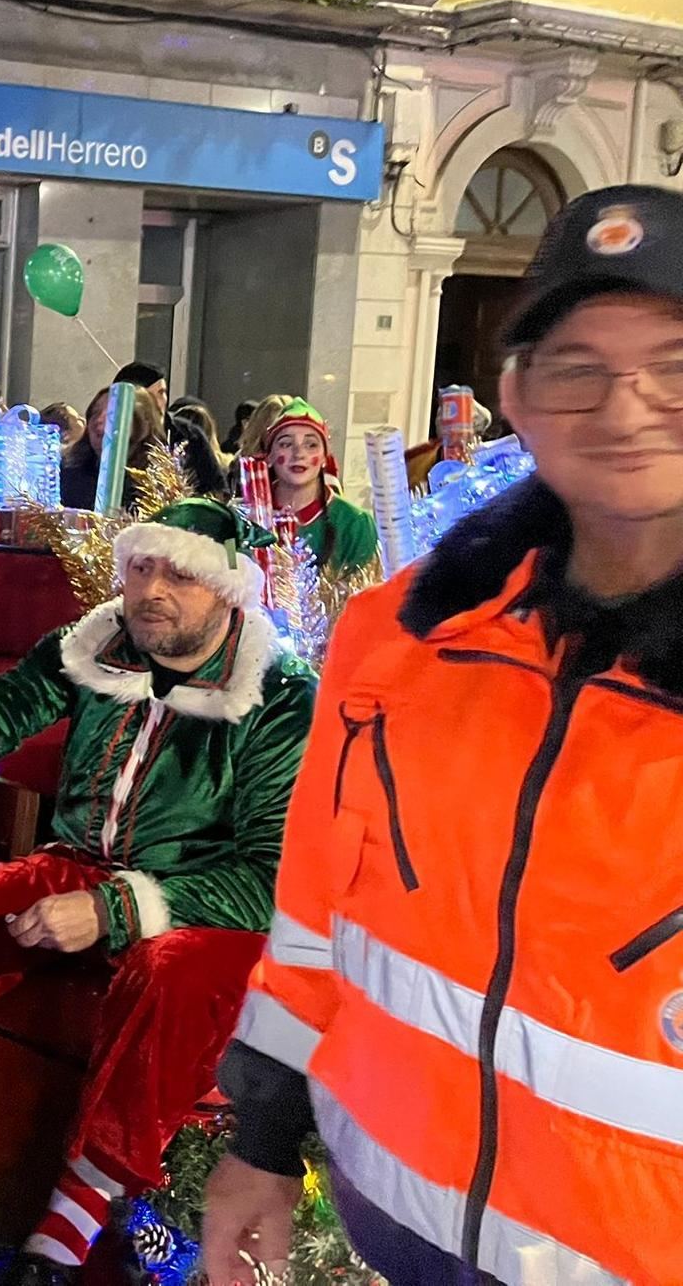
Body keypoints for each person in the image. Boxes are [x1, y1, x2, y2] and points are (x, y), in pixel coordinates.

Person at [204, 185, 683, 1286]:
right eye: (575, 366)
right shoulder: (393, 640)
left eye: (671, 364)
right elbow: (315, 921)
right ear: (513, 395)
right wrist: (260, 1143)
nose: (624, 408)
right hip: (394, 1233)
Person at [0, 499, 316, 1284]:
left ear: (228, 589)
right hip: (84, 860)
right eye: (140, 567)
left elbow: (269, 878)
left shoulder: (280, 699)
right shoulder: (96, 648)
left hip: (211, 905)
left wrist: (115, 912)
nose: (151, 589)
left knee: (171, 970)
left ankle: (69, 1223)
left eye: (180, 573)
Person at [253, 399, 378, 575]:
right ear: (270, 456)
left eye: (311, 444)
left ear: (325, 457)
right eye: (286, 444)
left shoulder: (355, 523)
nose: (299, 454)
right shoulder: (242, 518)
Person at [113, 360, 223, 495]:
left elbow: (216, 488)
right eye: (149, 396)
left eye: (161, 393)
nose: (159, 402)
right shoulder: (111, 436)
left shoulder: (189, 434)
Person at [59, 384, 159, 511]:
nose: (99, 420)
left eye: (113, 413)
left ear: (140, 423)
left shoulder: (158, 482)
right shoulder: (69, 473)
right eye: (95, 412)